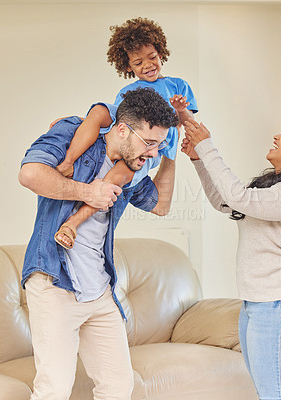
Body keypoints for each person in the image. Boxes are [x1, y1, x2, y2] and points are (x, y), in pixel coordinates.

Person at [18, 87, 179, 400]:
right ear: (122, 129)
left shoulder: (132, 166)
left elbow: (159, 205)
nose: (152, 153)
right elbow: (30, 174)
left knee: (119, 388)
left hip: (100, 290)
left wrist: (169, 159)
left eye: (158, 144)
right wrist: (86, 192)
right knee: (54, 391)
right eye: (150, 142)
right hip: (55, 281)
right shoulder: (73, 132)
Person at [181, 119, 281, 400]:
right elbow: (224, 201)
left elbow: (237, 197)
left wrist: (207, 145)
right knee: (269, 392)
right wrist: (198, 160)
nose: (276, 136)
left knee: (272, 394)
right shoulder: (276, 190)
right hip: (259, 304)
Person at [54, 17, 198, 248]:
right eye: (138, 63)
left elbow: (190, 125)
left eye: (152, 57)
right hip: (129, 145)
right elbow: (117, 124)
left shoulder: (178, 85)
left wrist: (182, 111)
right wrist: (74, 122)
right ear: (128, 67)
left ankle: (75, 222)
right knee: (98, 116)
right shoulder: (127, 91)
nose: (148, 65)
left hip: (151, 150)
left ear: (161, 53)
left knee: (120, 175)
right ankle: (68, 163)